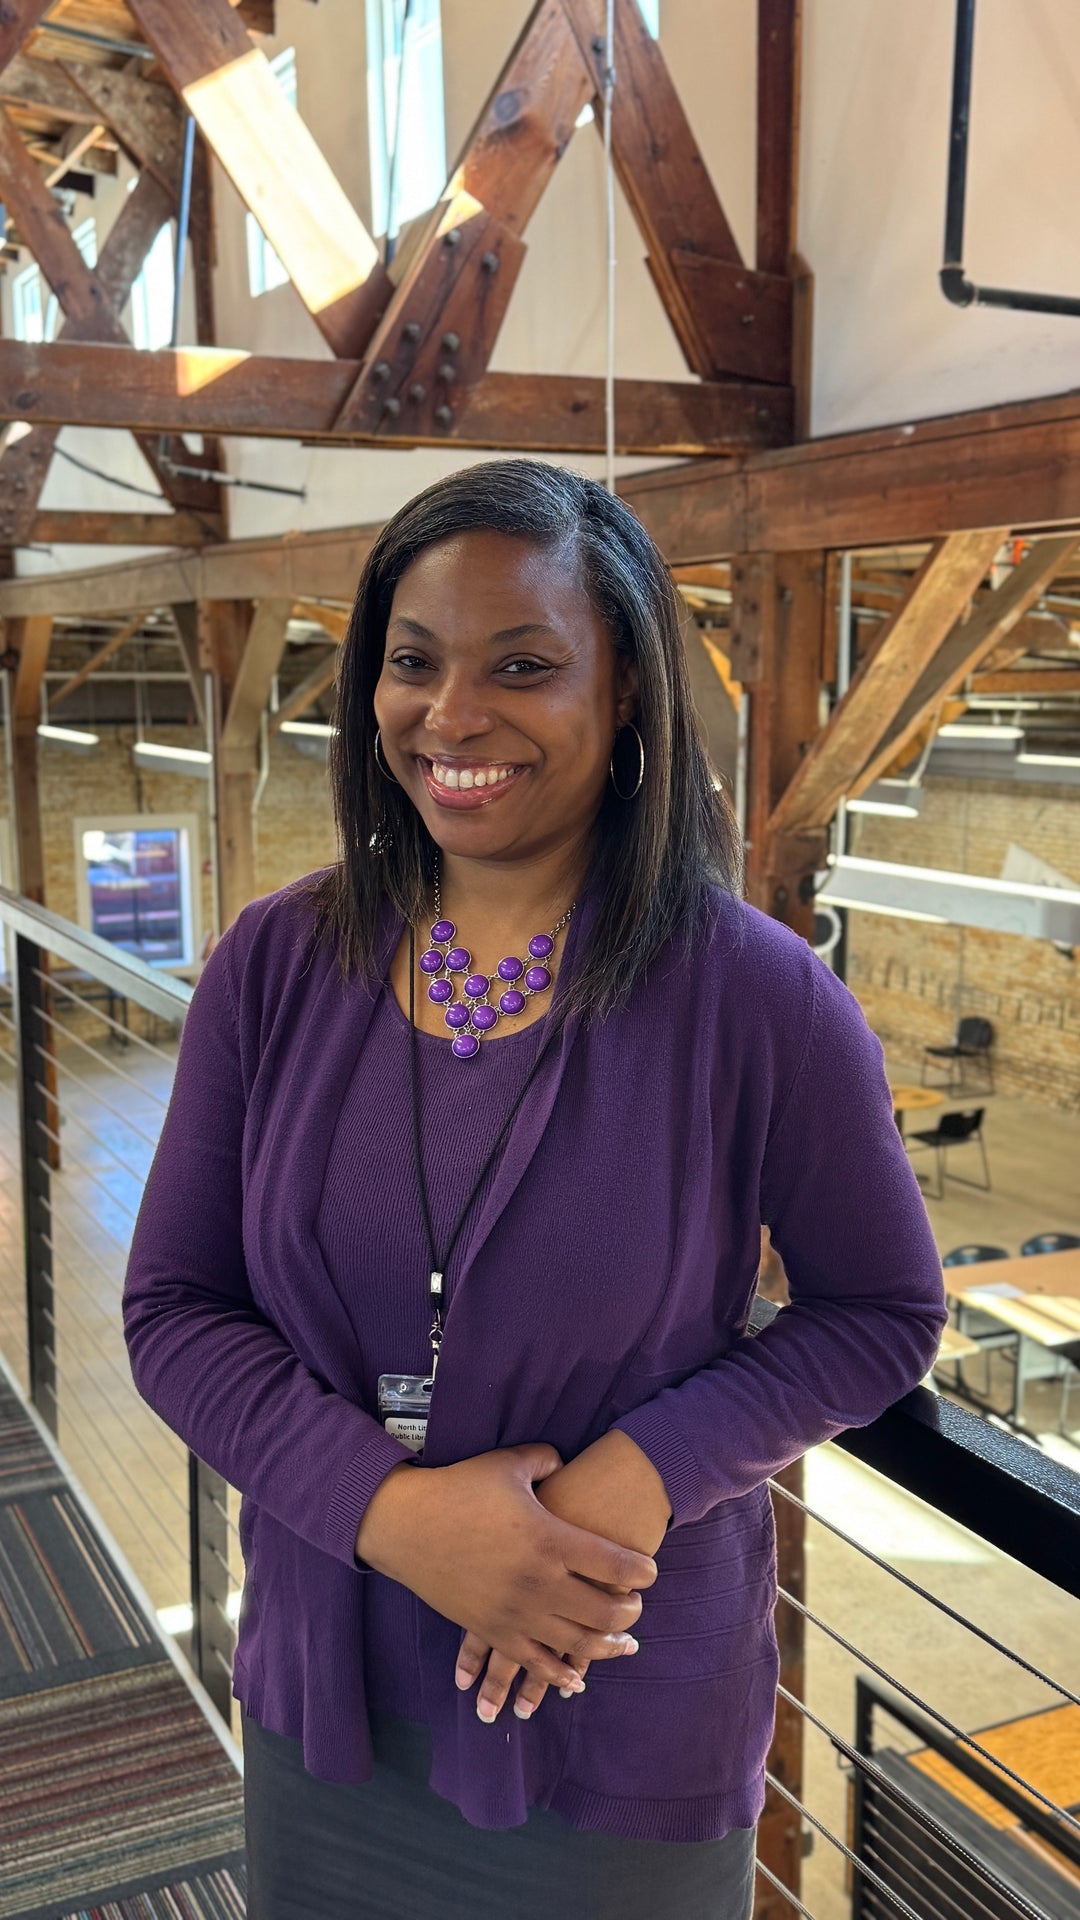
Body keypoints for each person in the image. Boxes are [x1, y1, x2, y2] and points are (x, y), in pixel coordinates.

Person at [123, 459, 947, 1920]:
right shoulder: (275, 965)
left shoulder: (757, 1000)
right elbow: (176, 1310)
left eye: (523, 665)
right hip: (327, 1698)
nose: (452, 716)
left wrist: (636, 1478)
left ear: (624, 690)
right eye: (414, 662)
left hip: (612, 1707)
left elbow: (881, 1312)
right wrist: (394, 1515)